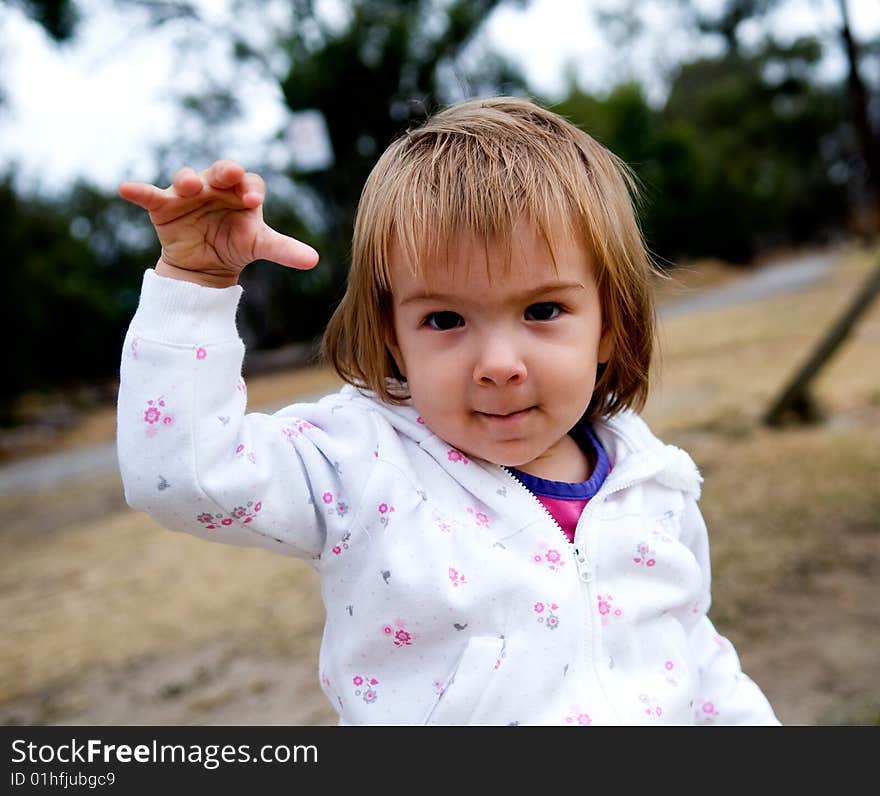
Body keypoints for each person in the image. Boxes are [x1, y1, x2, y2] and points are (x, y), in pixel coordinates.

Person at [116, 96, 778, 725]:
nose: (498, 361)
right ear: (392, 334)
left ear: (608, 322)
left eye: (542, 311)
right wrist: (196, 286)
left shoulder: (654, 484)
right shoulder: (360, 463)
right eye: (444, 318)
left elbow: (694, 654)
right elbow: (186, 476)